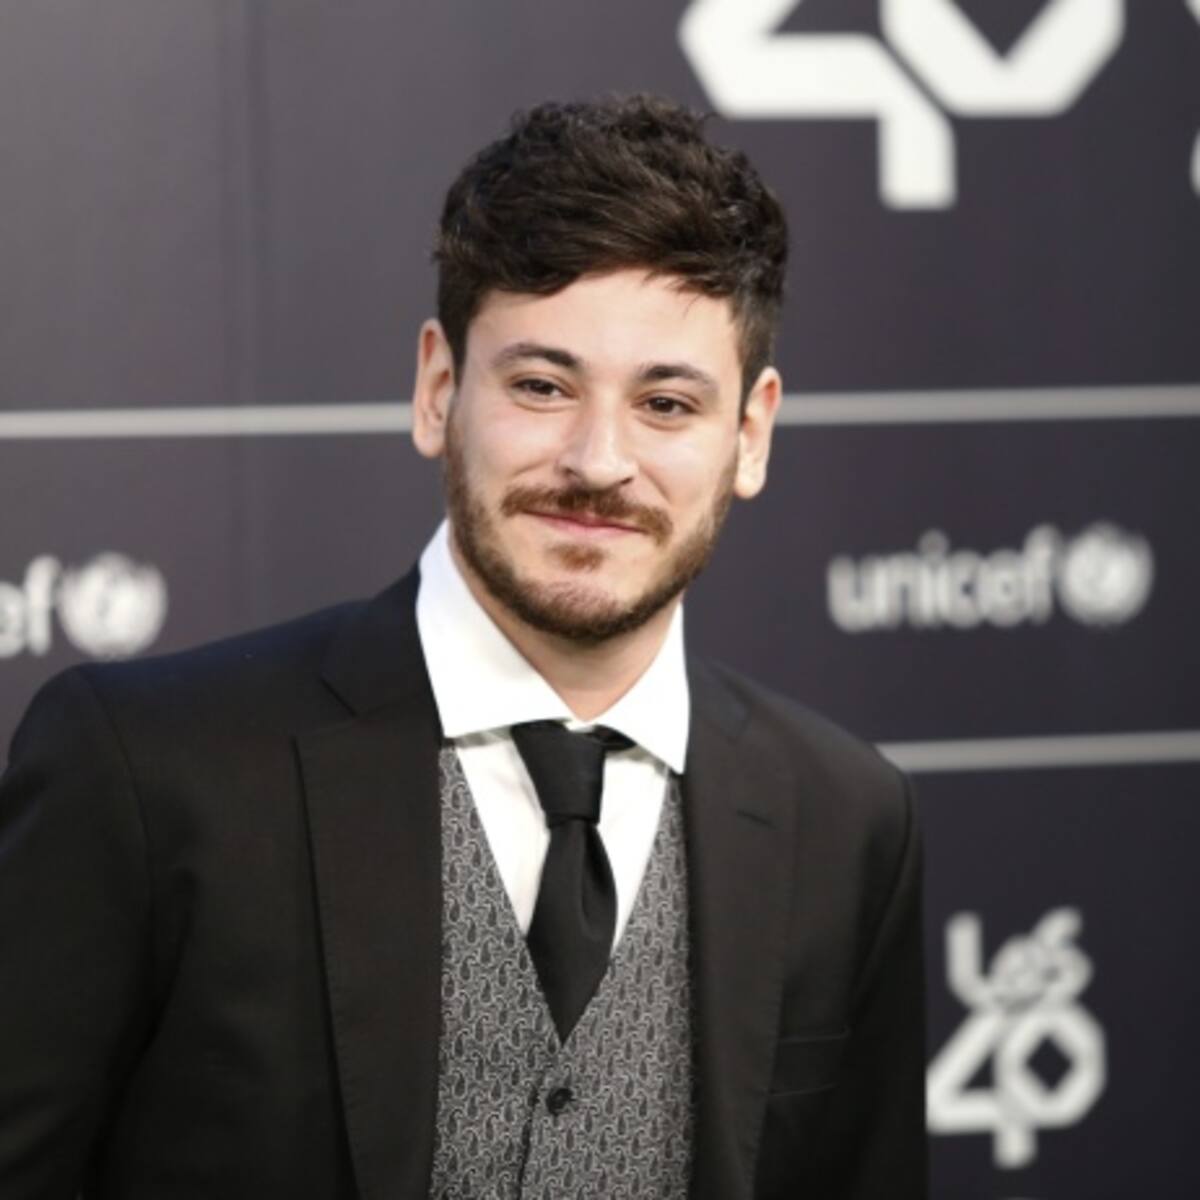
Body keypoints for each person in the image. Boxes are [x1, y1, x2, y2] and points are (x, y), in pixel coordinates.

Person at [0, 95, 926, 1199]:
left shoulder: (844, 820)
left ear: (752, 432)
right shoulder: (148, 771)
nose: (598, 461)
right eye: (541, 387)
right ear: (438, 389)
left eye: (667, 404)